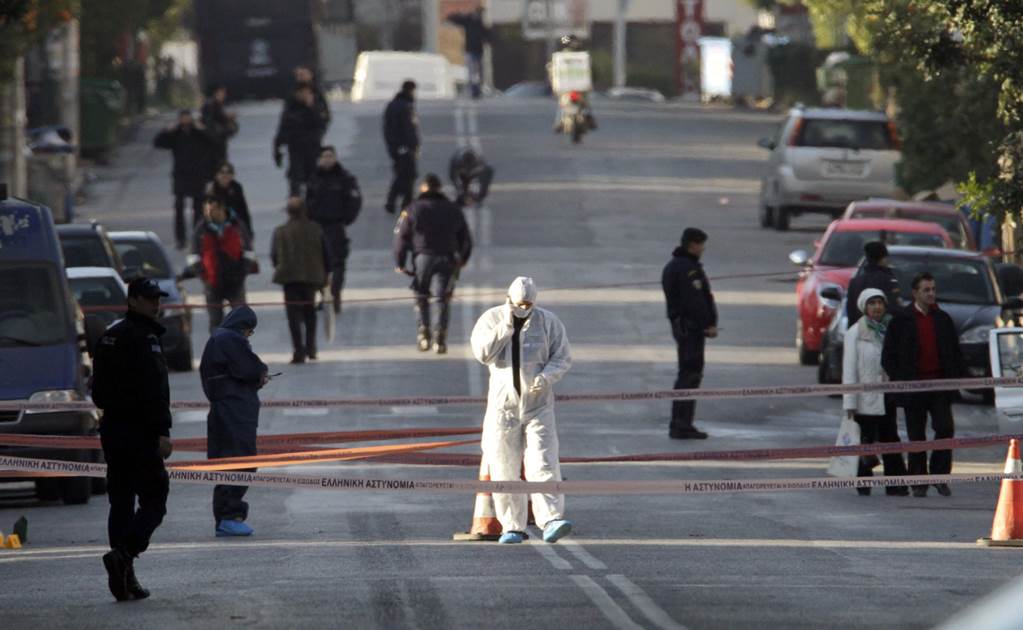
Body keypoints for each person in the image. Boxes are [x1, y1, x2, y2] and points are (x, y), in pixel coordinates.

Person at [470, 276, 573, 544]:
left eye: (528, 304)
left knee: (544, 461)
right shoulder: (491, 319)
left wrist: (546, 377)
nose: (523, 308)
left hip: (538, 405)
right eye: (519, 304)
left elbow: (562, 357)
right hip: (503, 408)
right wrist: (506, 326)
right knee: (504, 466)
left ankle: (551, 518)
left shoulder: (548, 322)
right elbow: (483, 354)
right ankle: (512, 526)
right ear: (508, 299)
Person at [90, 277, 174, 601]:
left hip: (113, 430)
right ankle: (125, 555)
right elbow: (155, 392)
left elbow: (97, 391)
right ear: (133, 300)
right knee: (155, 498)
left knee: (121, 501)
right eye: (150, 298)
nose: (157, 304)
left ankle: (123, 579)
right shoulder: (145, 338)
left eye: (158, 298)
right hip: (139, 432)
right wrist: (161, 432)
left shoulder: (109, 336)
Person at [881, 272, 964, 498]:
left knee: (945, 428)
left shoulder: (943, 319)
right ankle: (918, 481)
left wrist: (957, 378)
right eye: (926, 290)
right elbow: (888, 356)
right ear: (915, 293)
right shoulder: (901, 320)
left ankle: (940, 477)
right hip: (913, 389)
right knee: (916, 435)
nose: (931, 294)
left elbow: (955, 353)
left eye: (933, 289)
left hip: (939, 386)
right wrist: (901, 381)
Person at [199, 305, 269, 537]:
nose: (249, 337)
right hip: (234, 410)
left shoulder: (218, 338)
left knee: (228, 460)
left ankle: (227, 516)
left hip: (226, 408)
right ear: (243, 327)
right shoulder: (230, 339)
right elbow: (249, 368)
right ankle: (230, 515)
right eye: (249, 331)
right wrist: (261, 373)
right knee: (240, 460)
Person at [392, 174, 472, 354]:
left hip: (422, 258)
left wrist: (400, 261)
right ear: (439, 188)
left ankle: (423, 333)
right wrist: (463, 259)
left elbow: (401, 237)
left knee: (421, 295)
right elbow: (465, 237)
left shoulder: (412, 209)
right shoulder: (452, 209)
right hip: (447, 258)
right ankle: (440, 336)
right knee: (442, 298)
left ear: (423, 188)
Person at [842, 288, 909, 496]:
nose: (877, 307)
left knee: (891, 440)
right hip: (864, 399)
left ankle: (895, 485)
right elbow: (849, 370)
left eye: (880, 303)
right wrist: (850, 403)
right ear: (865, 307)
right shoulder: (855, 333)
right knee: (866, 440)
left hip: (887, 395)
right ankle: (864, 483)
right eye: (872, 303)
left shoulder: (891, 329)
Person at [661, 228, 717, 439]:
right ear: (693, 244)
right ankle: (681, 424)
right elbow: (696, 302)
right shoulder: (687, 269)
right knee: (690, 375)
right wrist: (708, 324)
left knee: (688, 374)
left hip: (684, 326)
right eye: (701, 244)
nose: (703, 249)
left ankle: (683, 423)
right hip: (690, 328)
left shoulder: (677, 266)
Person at [186, 194, 256, 332]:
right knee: (215, 322)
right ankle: (218, 350)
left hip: (235, 282)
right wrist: (204, 277)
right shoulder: (201, 229)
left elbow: (249, 251)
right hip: (212, 284)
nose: (208, 214)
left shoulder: (237, 225)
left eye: (211, 210)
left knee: (240, 320)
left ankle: (239, 348)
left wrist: (242, 273)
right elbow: (193, 256)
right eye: (206, 210)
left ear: (221, 209)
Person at [271, 197, 329, 364]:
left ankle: (298, 350)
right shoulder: (316, 229)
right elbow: (326, 254)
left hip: (289, 279)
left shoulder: (280, 231)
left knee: (293, 317)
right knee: (310, 313)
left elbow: (274, 257)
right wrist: (325, 274)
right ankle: (311, 348)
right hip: (311, 279)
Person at [306, 145, 362, 315]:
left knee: (338, 264)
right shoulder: (314, 178)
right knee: (319, 264)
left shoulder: (345, 178)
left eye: (330, 156)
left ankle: (335, 293)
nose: (327, 159)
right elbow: (307, 201)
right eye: (324, 156)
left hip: (336, 226)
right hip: (318, 228)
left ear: (335, 158)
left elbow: (355, 201)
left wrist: (346, 219)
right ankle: (324, 295)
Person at [153, 109, 216, 249]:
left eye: (188, 118)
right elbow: (158, 143)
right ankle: (180, 238)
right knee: (179, 206)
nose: (186, 121)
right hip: (181, 175)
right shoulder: (175, 134)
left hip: (197, 175)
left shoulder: (198, 133)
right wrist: (166, 131)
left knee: (198, 208)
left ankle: (197, 235)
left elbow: (213, 141)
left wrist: (203, 129)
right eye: (184, 118)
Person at [274, 83, 326, 195]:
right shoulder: (291, 108)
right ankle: (295, 203)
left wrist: (311, 107)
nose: (304, 95)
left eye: (307, 93)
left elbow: (321, 123)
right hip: (295, 148)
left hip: (312, 148)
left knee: (314, 179)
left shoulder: (317, 107)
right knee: (295, 179)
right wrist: (277, 149)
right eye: (301, 93)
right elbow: (283, 128)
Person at [382, 80, 420, 215]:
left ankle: (404, 202)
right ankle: (394, 201)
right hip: (404, 146)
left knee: (405, 174)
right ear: (410, 90)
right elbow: (409, 129)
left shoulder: (393, 105)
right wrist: (413, 146)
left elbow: (387, 128)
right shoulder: (405, 107)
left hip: (395, 146)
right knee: (406, 174)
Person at [845, 241, 901, 326]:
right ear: (883, 258)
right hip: (883, 331)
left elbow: (851, 312)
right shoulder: (888, 280)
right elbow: (894, 309)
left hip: (860, 331)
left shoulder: (855, 282)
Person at [446, 6, 491, 99]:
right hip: (470, 51)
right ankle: (474, 89)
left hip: (478, 51)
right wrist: (461, 14)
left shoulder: (481, 24)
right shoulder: (469, 20)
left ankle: (477, 88)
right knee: (472, 72)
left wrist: (488, 40)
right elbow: (453, 19)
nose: (479, 16)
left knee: (478, 72)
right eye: (478, 14)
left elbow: (488, 36)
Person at [205, 161, 253, 238]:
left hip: (233, 222)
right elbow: (206, 212)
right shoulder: (211, 189)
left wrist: (249, 231)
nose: (225, 176)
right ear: (216, 175)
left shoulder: (236, 188)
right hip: (214, 223)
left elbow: (243, 210)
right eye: (222, 173)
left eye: (228, 173)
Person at [200, 83, 238, 167]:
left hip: (218, 143)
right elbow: (209, 124)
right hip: (214, 144)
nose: (225, 95)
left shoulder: (217, 105)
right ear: (217, 92)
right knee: (217, 167)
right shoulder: (211, 105)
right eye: (223, 92)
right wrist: (227, 126)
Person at [293, 65, 330, 141]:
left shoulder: (317, 93)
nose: (301, 77)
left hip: (313, 136)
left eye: (303, 75)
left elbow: (325, 116)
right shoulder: (292, 95)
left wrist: (311, 105)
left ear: (310, 75)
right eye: (299, 75)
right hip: (295, 138)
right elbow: (286, 119)